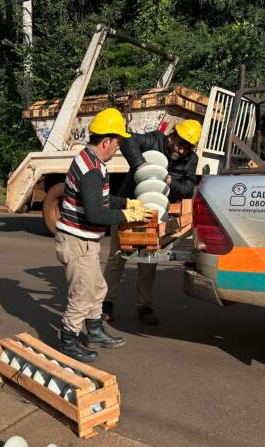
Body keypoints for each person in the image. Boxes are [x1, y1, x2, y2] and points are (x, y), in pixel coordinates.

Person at [55, 108, 153, 363]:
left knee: (97, 288)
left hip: (85, 240)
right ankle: (68, 338)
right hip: (78, 241)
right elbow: (96, 214)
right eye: (117, 142)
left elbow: (104, 199)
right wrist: (127, 216)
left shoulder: (91, 161)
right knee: (83, 293)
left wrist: (128, 203)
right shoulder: (90, 170)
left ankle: (95, 331)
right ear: (106, 141)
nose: (118, 147)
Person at [102, 119, 202, 325]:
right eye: (180, 144)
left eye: (187, 147)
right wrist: (141, 166)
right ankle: (105, 304)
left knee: (148, 263)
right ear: (172, 136)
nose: (182, 150)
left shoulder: (190, 159)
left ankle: (144, 306)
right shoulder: (154, 140)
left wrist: (170, 181)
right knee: (117, 258)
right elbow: (128, 140)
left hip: (155, 213)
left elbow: (187, 188)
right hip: (128, 206)